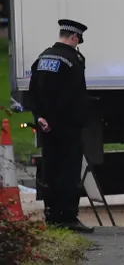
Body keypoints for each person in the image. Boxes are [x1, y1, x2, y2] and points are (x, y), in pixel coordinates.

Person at [26, 19, 94, 233]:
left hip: (46, 126)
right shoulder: (73, 60)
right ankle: (68, 217)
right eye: (78, 40)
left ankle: (52, 215)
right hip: (66, 127)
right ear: (74, 37)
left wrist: (40, 118)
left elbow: (33, 92)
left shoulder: (42, 57)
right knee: (69, 172)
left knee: (50, 169)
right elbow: (71, 97)